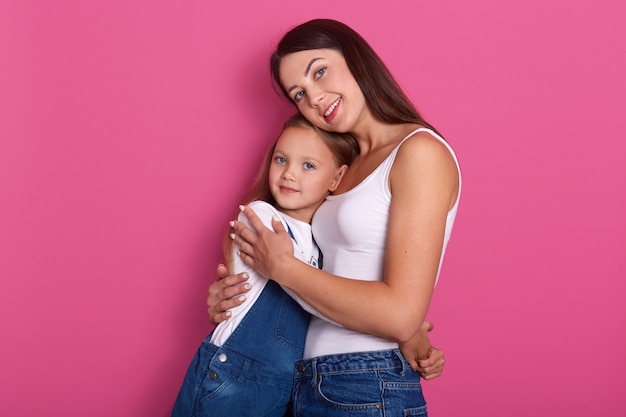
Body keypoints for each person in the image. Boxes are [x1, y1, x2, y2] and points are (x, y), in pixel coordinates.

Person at [209, 19, 461, 416]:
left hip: (366, 381)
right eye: (300, 94)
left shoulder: (419, 153)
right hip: (305, 380)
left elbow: (399, 314)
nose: (315, 98)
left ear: (356, 57)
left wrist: (283, 268)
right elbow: (315, 260)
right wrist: (237, 296)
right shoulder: (339, 165)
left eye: (320, 71)